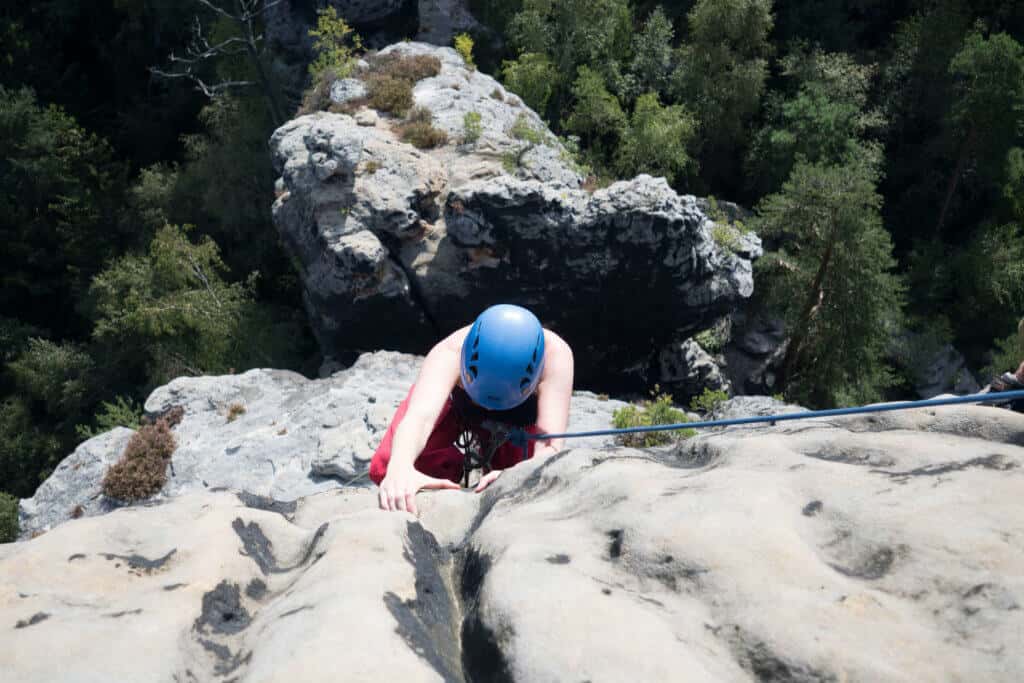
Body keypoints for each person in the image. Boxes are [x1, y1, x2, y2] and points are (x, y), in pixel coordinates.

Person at [371, 304, 574, 514]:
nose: (488, 407)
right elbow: (419, 418)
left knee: (525, 492)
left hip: (518, 425)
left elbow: (549, 446)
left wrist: (515, 475)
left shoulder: (555, 357)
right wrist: (400, 468)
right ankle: (448, 468)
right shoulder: (451, 350)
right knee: (386, 466)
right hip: (460, 411)